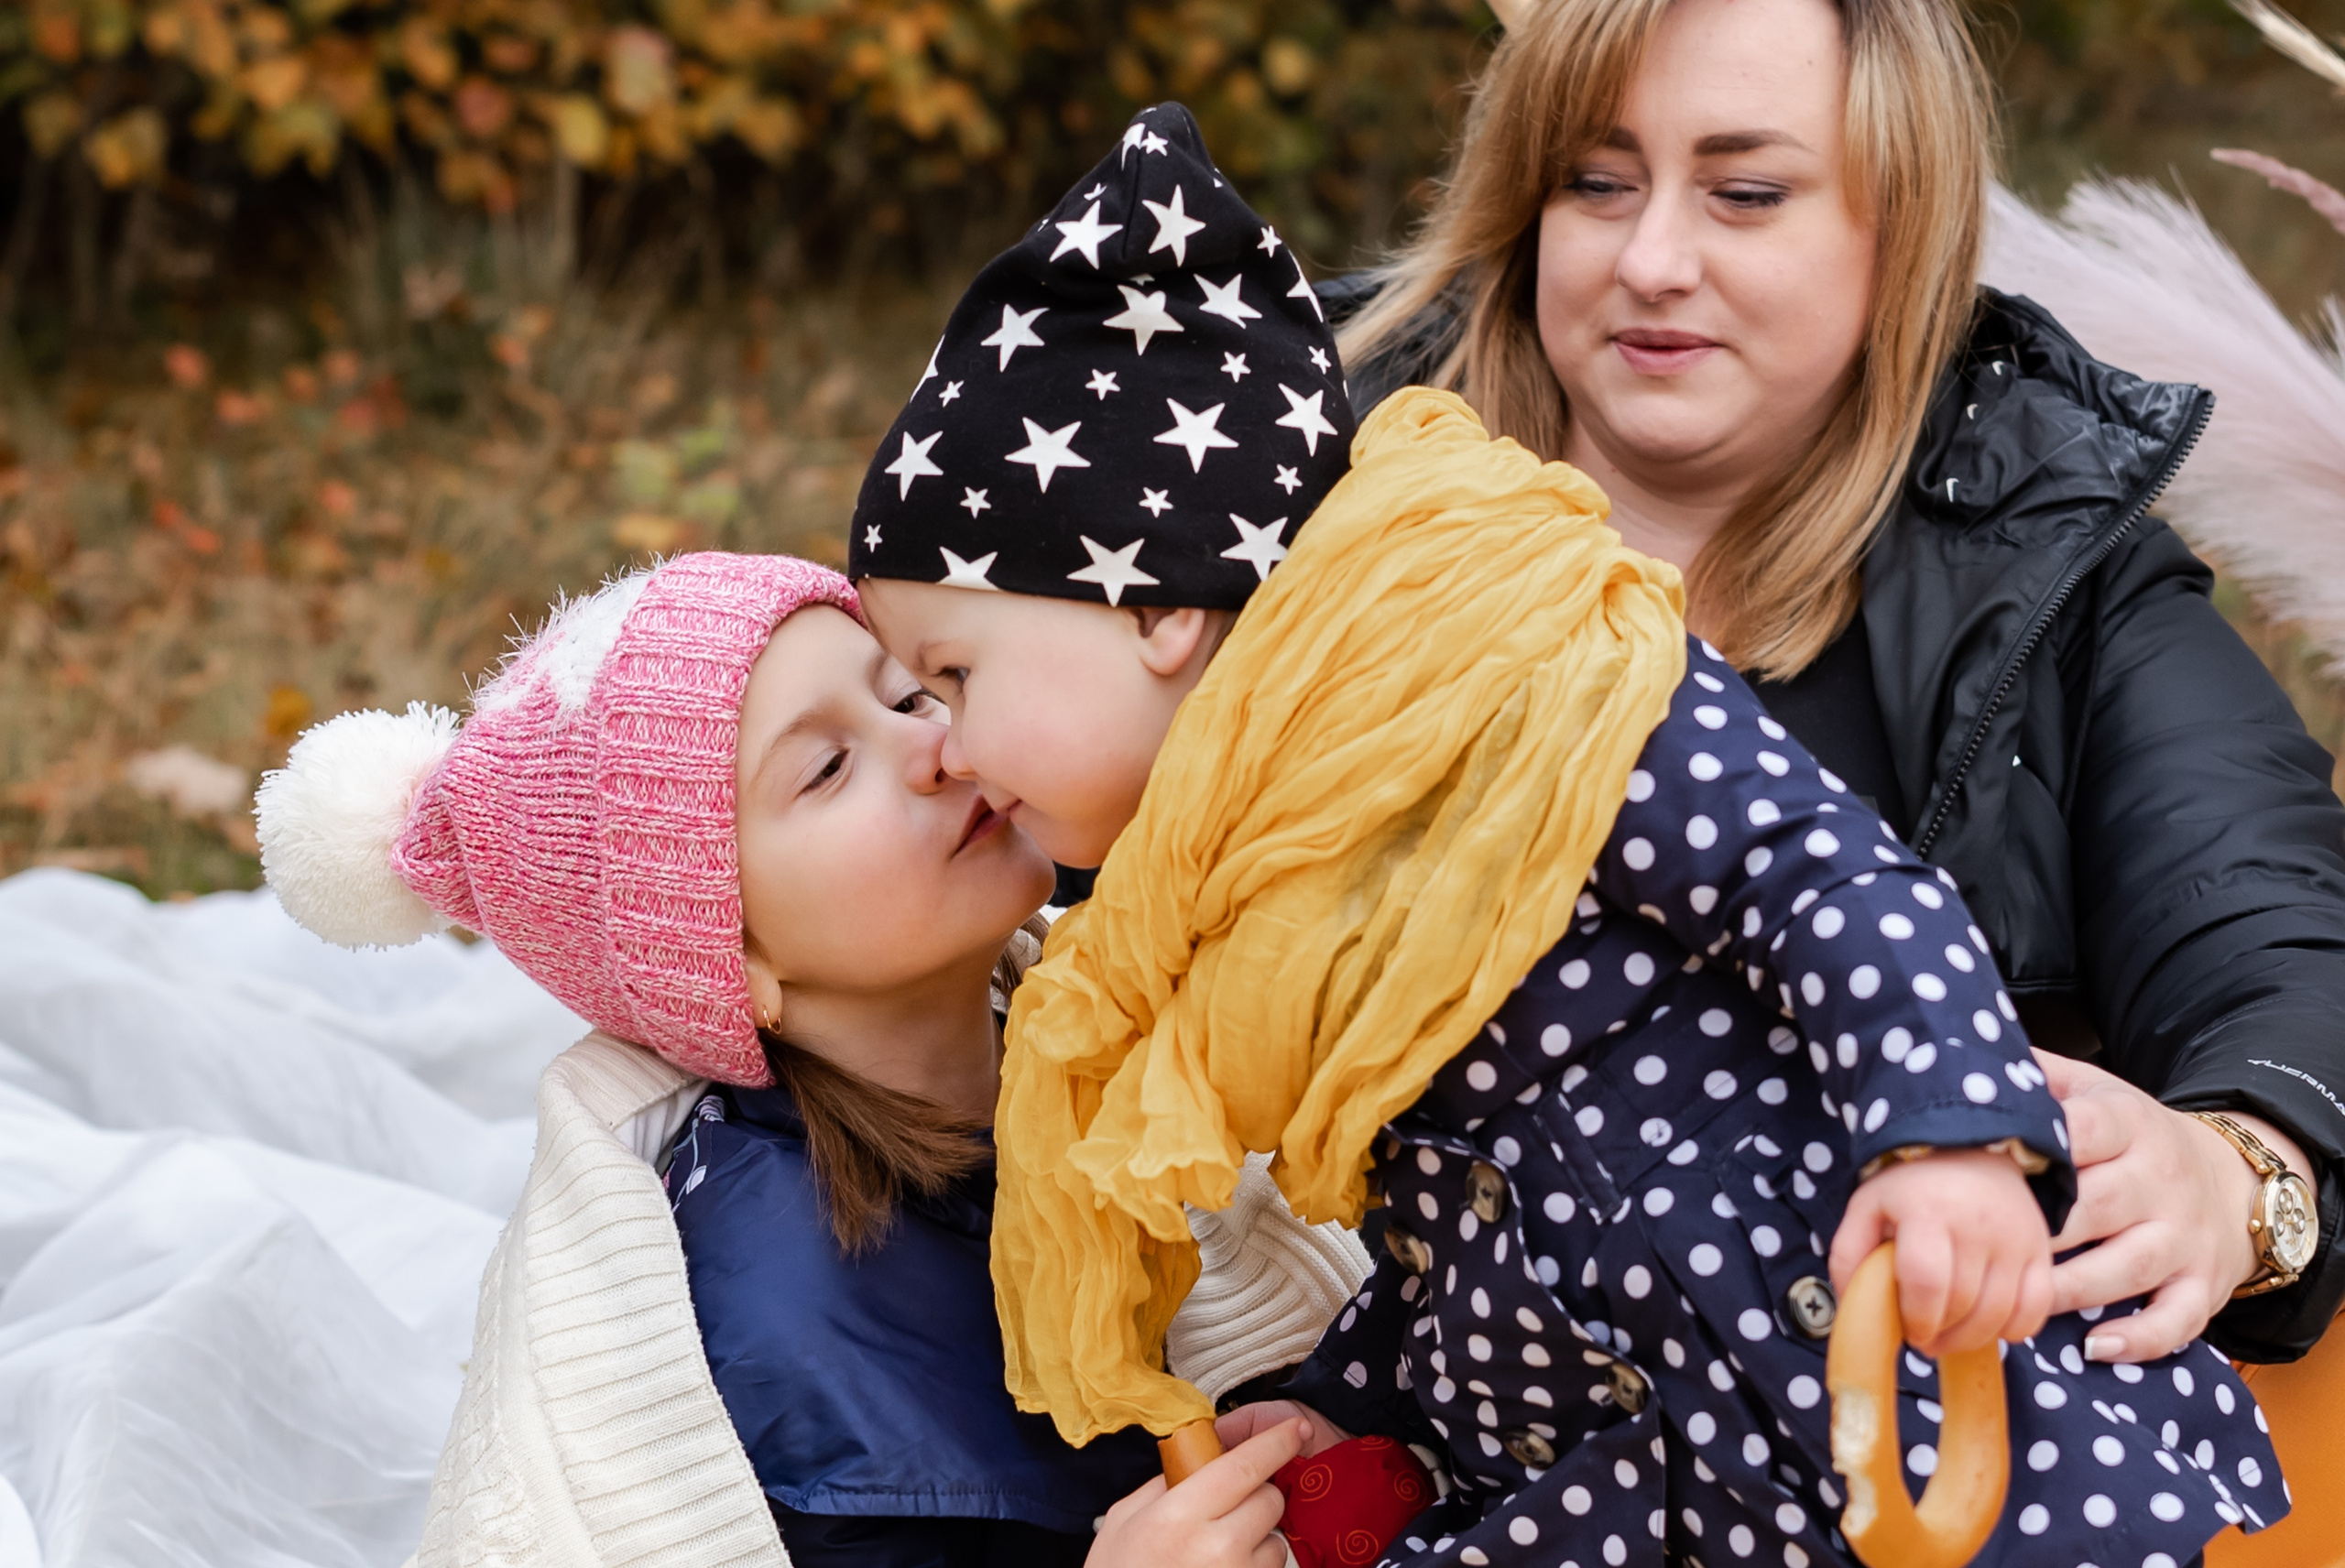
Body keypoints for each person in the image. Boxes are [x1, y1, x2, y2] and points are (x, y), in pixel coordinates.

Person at [846, 103, 2285, 1567]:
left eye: (953, 676)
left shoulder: (1527, 685)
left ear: (1156, 614)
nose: (942, 746)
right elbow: (1454, 1206)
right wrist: (1356, 1400)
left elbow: (1829, 885)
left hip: (1856, 1380)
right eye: (1599, 182)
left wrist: (1950, 1140)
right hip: (1644, 1459)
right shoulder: (1242, 881)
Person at [1325, 0, 2345, 1378]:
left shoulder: (2052, 559)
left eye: (1746, 194)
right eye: (1596, 181)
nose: (1654, 259)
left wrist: (2237, 1165)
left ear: (1899, 230)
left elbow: (2268, 930)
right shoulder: (1304, 481)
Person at [251, 552, 1368, 1568]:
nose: (935, 746)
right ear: (728, 957)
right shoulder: (793, 1354)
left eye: (913, 691)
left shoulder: (1091, 1029)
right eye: (829, 767)